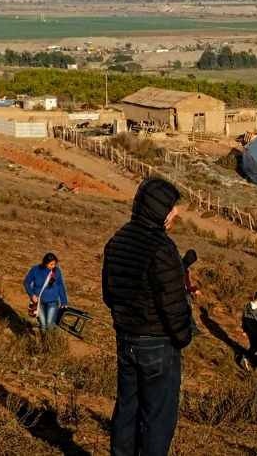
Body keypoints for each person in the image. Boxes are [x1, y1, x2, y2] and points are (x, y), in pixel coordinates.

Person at [103, 178, 192, 456]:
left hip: (126, 339)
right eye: (171, 207)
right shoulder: (162, 249)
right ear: (157, 210)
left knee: (127, 411)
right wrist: (182, 337)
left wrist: (127, 321)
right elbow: (174, 304)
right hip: (158, 344)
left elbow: (109, 294)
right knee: (158, 420)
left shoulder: (117, 240)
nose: (176, 213)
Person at [23, 253, 68, 331]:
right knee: (43, 324)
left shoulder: (57, 271)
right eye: (51, 264)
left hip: (53, 301)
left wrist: (64, 302)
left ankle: (53, 341)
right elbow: (26, 282)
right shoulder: (35, 270)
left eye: (54, 264)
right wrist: (32, 295)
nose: (53, 266)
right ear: (45, 263)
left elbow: (60, 286)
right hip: (39, 302)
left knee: (50, 324)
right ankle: (43, 341)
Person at [182, 249, 203, 338]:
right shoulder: (183, 269)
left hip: (178, 293)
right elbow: (186, 284)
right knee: (188, 312)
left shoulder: (179, 265)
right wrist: (195, 291)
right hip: (184, 293)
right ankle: (193, 330)